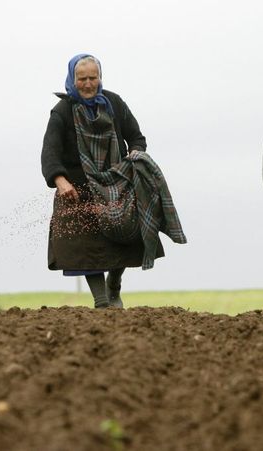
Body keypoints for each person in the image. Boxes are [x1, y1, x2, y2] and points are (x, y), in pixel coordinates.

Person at [41, 54, 186, 309]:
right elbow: (50, 151)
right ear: (72, 79)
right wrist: (60, 181)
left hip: (115, 185)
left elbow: (136, 136)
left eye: (93, 78)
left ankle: (114, 285)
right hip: (77, 188)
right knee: (83, 245)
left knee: (123, 237)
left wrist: (135, 155)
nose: (88, 84)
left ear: (100, 77)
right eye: (82, 78)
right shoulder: (62, 111)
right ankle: (101, 301)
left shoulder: (114, 103)